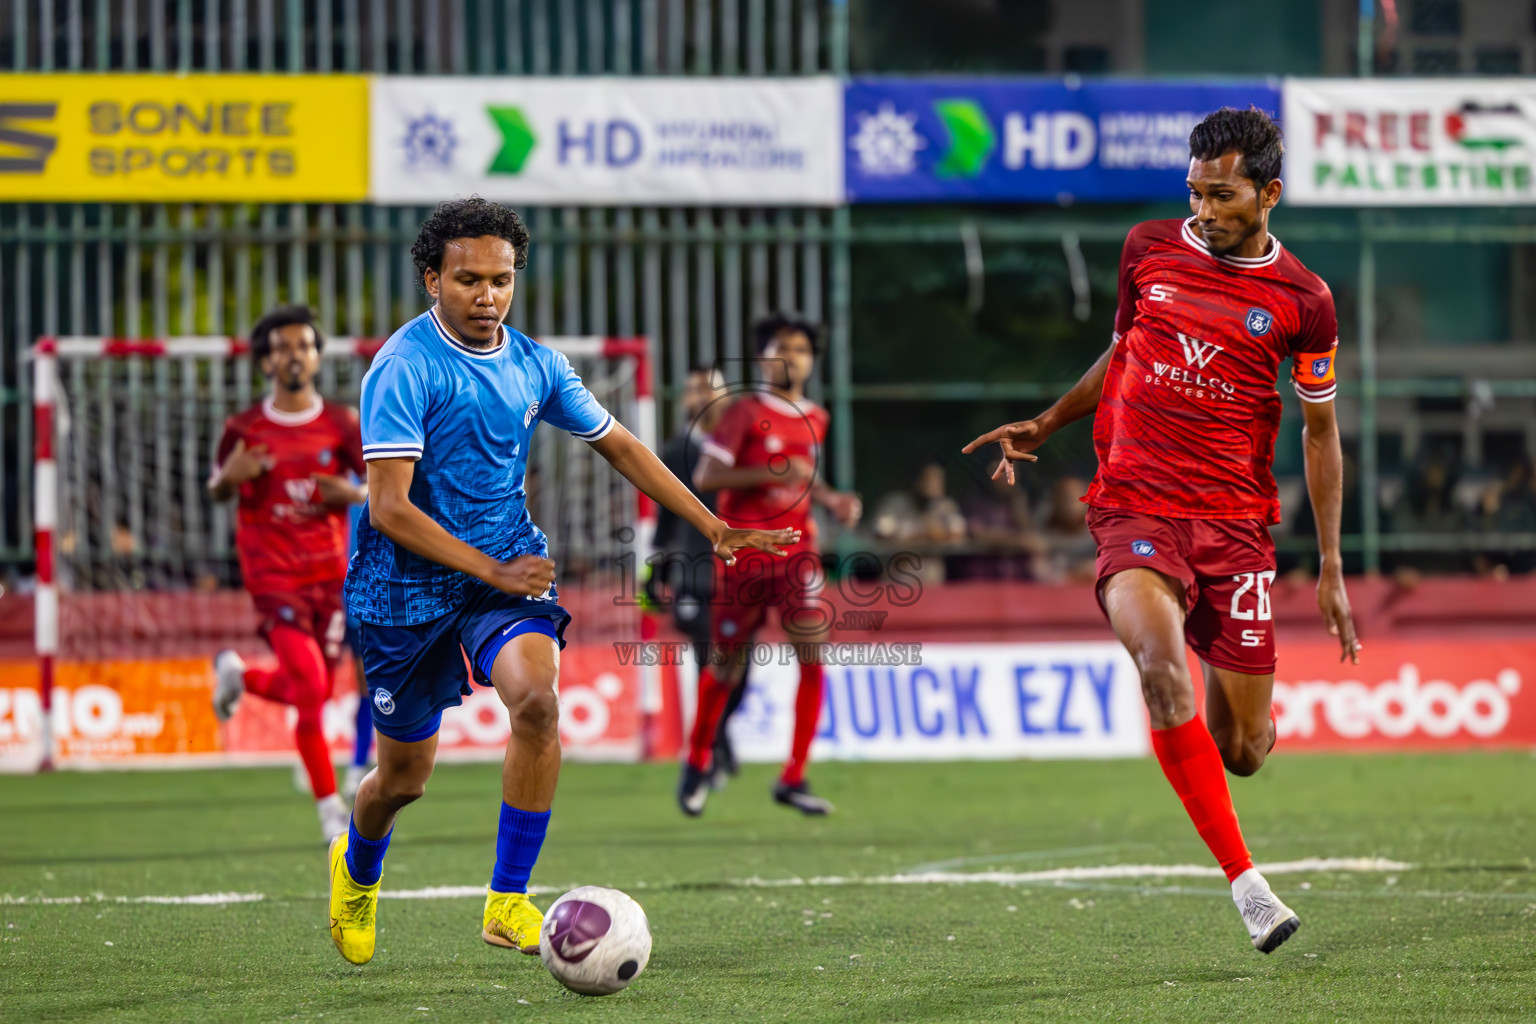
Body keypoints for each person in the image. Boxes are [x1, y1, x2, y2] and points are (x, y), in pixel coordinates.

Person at [329, 197, 794, 967]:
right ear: (430, 280)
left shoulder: (536, 364)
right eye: (469, 280)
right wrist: (488, 567)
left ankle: (508, 899)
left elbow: (622, 446)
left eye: (502, 281)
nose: (488, 297)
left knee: (538, 704)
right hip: (405, 588)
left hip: (504, 571)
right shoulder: (402, 368)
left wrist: (712, 527)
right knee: (403, 780)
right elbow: (387, 509)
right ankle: (357, 869)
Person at [964, 107, 1360, 955]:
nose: (1206, 210)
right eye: (1195, 193)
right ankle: (1247, 884)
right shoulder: (1148, 248)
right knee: (1161, 671)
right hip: (1136, 507)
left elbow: (1319, 432)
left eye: (1223, 196)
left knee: (1244, 750)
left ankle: (1243, 726)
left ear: (1269, 194)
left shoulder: (1306, 302)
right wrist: (1047, 422)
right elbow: (1122, 350)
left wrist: (1329, 564)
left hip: (1237, 527)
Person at [679, 313, 863, 818]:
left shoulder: (816, 417)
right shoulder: (741, 412)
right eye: (782, 348)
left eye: (801, 349)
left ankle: (794, 775)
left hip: (797, 552)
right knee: (727, 663)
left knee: (812, 651)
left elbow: (800, 479)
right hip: (743, 554)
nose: (792, 358)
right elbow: (708, 474)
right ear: (763, 358)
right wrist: (771, 469)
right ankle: (697, 760)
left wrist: (830, 497)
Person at [209, 305, 367, 842]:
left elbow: (386, 485)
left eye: (304, 345)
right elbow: (216, 486)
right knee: (310, 684)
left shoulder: (343, 423)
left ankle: (239, 676)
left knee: (314, 693)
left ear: (318, 357)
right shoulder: (243, 428)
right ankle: (330, 809)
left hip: (330, 576)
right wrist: (228, 478)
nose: (294, 355)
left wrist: (353, 495)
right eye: (282, 347)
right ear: (264, 363)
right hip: (273, 577)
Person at [647, 365, 747, 787]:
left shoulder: (742, 447)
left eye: (708, 388)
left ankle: (718, 735)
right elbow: (666, 515)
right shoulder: (676, 450)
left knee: (740, 671)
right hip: (692, 573)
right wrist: (653, 572)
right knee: (710, 658)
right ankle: (713, 748)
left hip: (740, 574)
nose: (700, 396)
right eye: (692, 390)